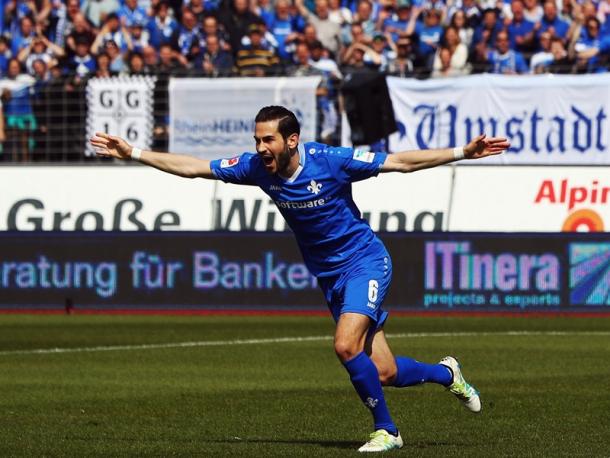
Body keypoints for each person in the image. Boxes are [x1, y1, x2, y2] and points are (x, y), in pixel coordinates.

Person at [90, 105, 510, 453]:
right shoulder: (257, 168)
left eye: (268, 139)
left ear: (292, 140)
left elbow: (400, 162)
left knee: (345, 346)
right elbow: (194, 168)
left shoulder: (331, 161)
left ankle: (388, 431)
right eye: (257, 140)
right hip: (330, 277)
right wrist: (134, 152)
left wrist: (462, 151)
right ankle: (446, 373)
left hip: (365, 262)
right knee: (383, 372)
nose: (260, 148)